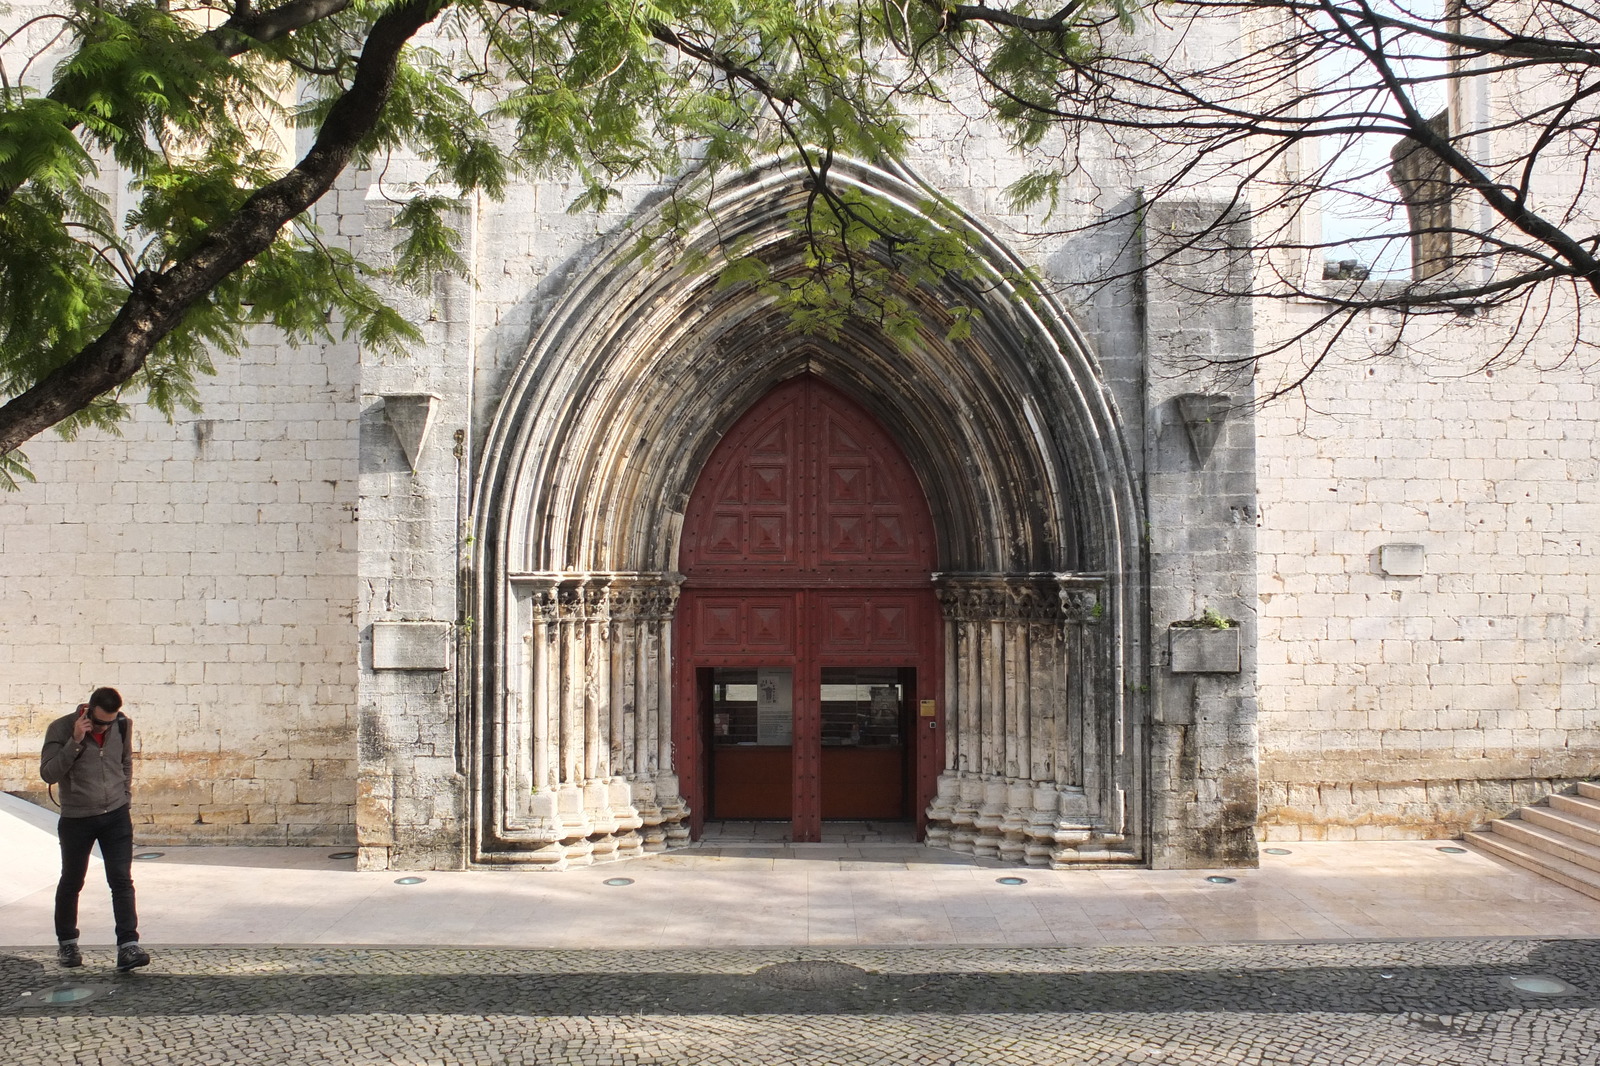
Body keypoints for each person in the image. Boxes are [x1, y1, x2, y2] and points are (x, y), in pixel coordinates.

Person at [39, 687, 150, 971]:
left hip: (115, 815)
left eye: (109, 723)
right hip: (77, 818)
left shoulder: (122, 725)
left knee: (121, 881)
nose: (104, 727)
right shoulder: (61, 728)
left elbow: (125, 761)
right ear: (88, 710)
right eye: (100, 722)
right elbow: (48, 773)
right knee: (72, 881)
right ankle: (67, 944)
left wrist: (124, 796)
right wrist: (75, 741)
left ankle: (128, 946)